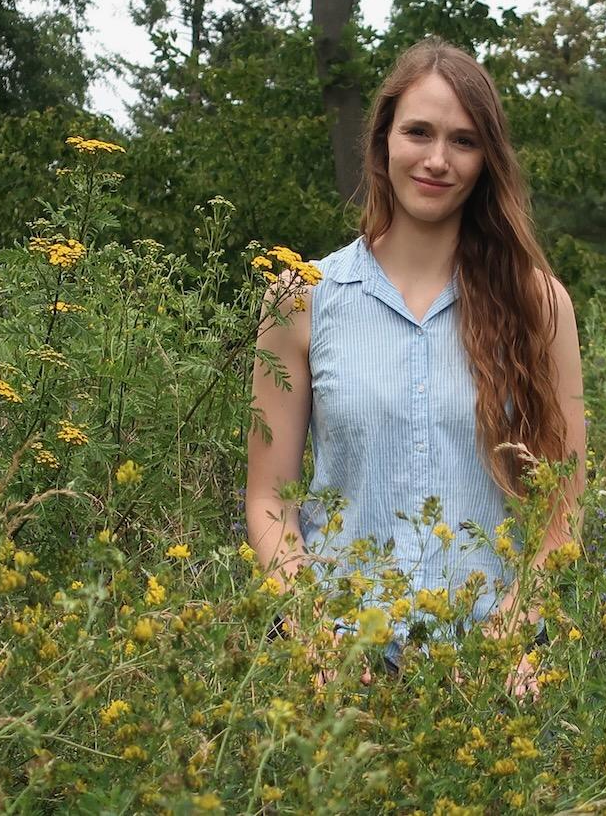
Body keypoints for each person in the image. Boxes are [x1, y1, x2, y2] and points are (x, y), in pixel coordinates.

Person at [245, 37, 586, 698]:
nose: (437, 160)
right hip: (338, 663)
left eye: (462, 141)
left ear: (487, 159)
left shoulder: (538, 304)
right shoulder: (302, 297)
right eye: (419, 133)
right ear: (383, 142)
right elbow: (268, 498)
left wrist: (514, 629)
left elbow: (563, 504)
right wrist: (311, 626)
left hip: (490, 669)